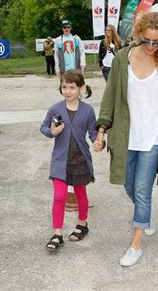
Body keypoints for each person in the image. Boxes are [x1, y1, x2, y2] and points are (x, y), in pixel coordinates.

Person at [93, 12, 158, 267]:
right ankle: (146, 215)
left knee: (142, 191)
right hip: (126, 136)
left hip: (153, 137)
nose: (152, 47)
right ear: (139, 36)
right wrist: (102, 129)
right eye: (148, 41)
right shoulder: (123, 59)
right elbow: (110, 98)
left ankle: (136, 244)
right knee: (128, 185)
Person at [40, 70, 97, 252]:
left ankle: (82, 224)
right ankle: (57, 234)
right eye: (64, 87)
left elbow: (93, 133)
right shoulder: (55, 109)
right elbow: (44, 127)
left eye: (72, 87)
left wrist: (98, 142)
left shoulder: (88, 110)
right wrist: (52, 132)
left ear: (80, 88)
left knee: (80, 193)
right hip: (60, 160)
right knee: (59, 196)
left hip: (80, 159)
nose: (67, 91)